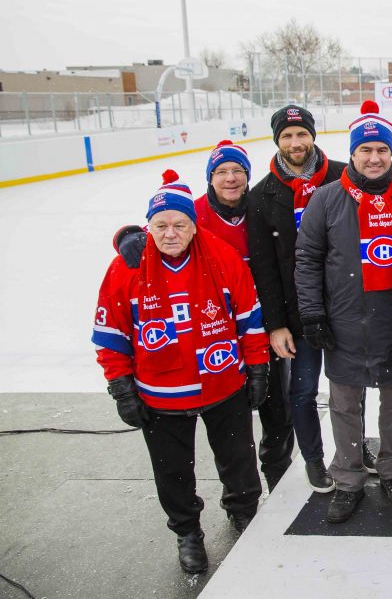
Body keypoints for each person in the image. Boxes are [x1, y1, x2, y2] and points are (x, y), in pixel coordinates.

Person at [93, 170, 269, 574]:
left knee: (238, 459)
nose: (171, 233)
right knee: (172, 471)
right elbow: (112, 336)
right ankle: (187, 531)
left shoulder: (222, 256)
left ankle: (242, 510)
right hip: (160, 395)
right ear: (147, 226)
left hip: (223, 385)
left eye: (180, 224)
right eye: (161, 225)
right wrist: (121, 388)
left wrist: (257, 369)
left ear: (194, 225)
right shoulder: (126, 268)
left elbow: (249, 319)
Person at [116, 141, 295, 492]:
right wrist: (128, 236)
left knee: (277, 410)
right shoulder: (194, 214)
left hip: (264, 324)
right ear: (210, 178)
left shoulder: (262, 206)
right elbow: (160, 227)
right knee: (230, 425)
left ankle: (277, 478)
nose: (231, 179)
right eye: (221, 172)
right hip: (216, 334)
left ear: (247, 175)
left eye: (238, 171)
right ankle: (237, 494)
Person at [295, 101, 392, 524]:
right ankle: (349, 480)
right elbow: (308, 258)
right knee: (344, 407)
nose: (374, 158)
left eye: (381, 151)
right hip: (344, 324)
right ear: (352, 154)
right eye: (365, 150)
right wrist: (314, 314)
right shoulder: (327, 200)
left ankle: (391, 472)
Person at [248, 105, 370, 495]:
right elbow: (264, 268)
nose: (296, 143)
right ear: (277, 141)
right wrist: (276, 324)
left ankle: (355, 447)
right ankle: (315, 460)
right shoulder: (262, 195)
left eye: (302, 134)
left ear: (313, 136)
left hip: (344, 304)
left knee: (351, 388)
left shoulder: (343, 175)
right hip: (296, 312)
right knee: (301, 391)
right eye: (287, 136)